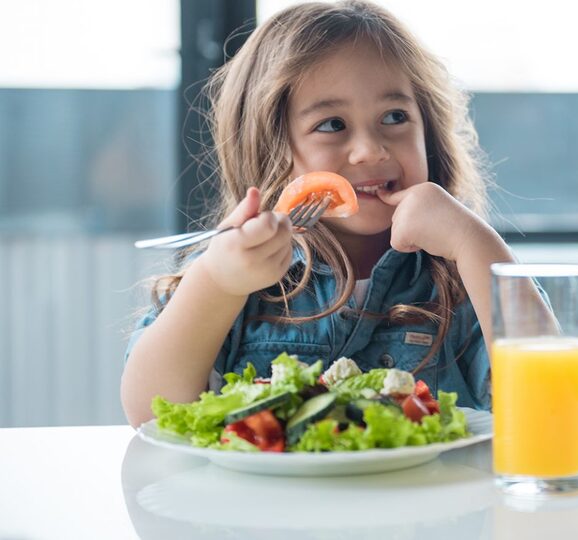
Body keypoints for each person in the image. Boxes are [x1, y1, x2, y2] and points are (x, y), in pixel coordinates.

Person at [121, 0, 516, 427]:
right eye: (332, 124)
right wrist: (216, 283)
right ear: (269, 148)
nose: (370, 150)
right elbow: (151, 413)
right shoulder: (233, 271)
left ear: (430, 135)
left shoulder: (460, 276)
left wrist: (478, 247)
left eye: (394, 117)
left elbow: (546, 401)